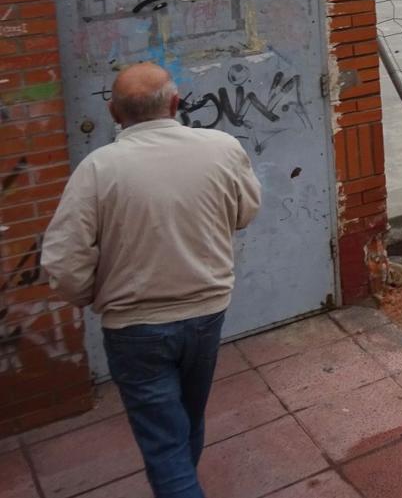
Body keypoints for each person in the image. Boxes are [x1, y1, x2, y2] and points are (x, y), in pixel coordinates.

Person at [42, 62, 262, 498]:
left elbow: (64, 261)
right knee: (187, 420)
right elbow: (246, 212)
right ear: (176, 103)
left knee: (164, 442)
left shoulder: (98, 168)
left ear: (113, 112)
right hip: (205, 313)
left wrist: (93, 295)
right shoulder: (220, 147)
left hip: (134, 328)